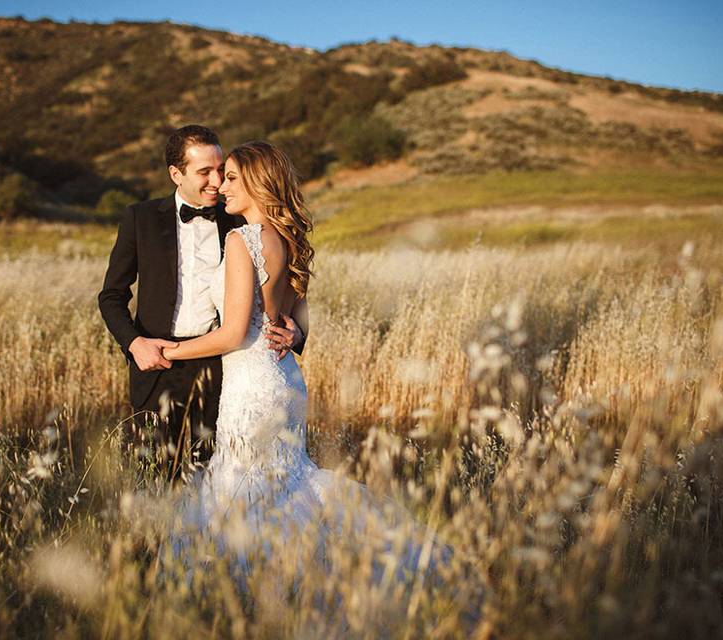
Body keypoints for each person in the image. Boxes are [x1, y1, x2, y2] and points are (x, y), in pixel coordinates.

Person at [159, 142, 457, 596]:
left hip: (252, 385)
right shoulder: (287, 238)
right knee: (282, 483)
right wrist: (295, 335)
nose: (222, 185)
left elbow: (235, 332)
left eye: (234, 177)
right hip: (282, 380)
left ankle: (258, 591)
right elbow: (298, 317)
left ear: (260, 183)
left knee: (247, 488)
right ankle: (297, 581)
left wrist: (168, 351)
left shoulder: (243, 240)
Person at [98, 126, 304, 484]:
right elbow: (111, 296)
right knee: (155, 483)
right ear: (176, 174)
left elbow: (287, 288)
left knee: (219, 480)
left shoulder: (240, 220)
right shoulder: (140, 218)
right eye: (204, 172)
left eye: (222, 171)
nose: (217, 182)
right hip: (156, 367)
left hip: (221, 369)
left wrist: (297, 330)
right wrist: (135, 344)